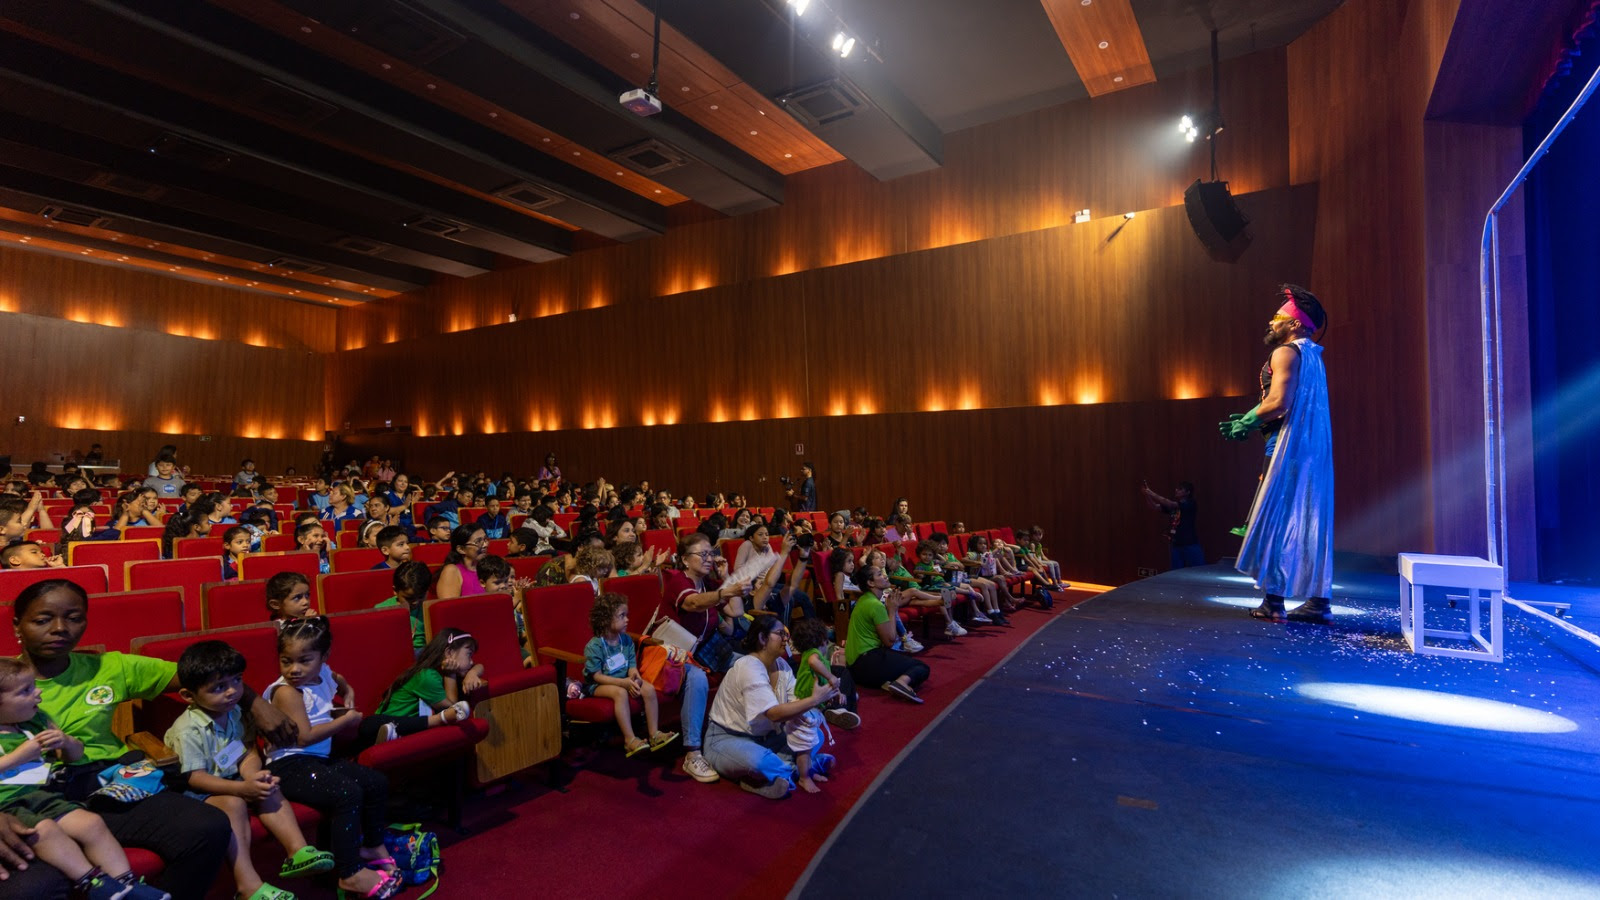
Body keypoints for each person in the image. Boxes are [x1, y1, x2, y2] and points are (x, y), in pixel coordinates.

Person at [14, 579, 296, 898]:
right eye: (42, 619)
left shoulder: (110, 667)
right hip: (29, 795)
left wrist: (256, 704)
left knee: (208, 826)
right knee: (35, 885)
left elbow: (204, 676)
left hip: (105, 784)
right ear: (17, 626)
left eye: (74, 617)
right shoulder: (3, 682)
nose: (60, 628)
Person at [164, 642, 332, 900]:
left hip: (231, 781)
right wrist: (241, 788)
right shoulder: (188, 729)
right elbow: (194, 778)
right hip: (194, 792)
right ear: (188, 696)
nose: (233, 691)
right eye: (219, 687)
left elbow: (247, 752)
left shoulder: (235, 713)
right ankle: (247, 886)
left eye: (237, 681)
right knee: (233, 804)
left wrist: (254, 776)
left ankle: (298, 851)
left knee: (268, 787)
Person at [0, 659, 171, 900]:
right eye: (25, 690)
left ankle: (128, 885)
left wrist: (65, 742)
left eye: (33, 685)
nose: (37, 692)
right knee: (46, 831)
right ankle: (94, 884)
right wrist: (18, 756)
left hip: (41, 796)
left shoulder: (35, 721)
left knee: (91, 824)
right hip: (8, 806)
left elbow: (76, 754)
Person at [1219, 285, 1334, 623]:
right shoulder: (1313, 355)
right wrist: (1251, 418)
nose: (1272, 323)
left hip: (1287, 445)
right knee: (1312, 520)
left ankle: (1273, 602)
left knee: (1278, 519)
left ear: (1296, 324)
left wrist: (1247, 422)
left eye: (1279, 317)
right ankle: (1319, 601)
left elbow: (1279, 402)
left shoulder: (1286, 352)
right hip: (1314, 450)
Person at [263, 618, 402, 899]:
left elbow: (337, 679)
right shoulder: (287, 691)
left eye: (304, 660)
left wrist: (347, 691)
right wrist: (346, 720)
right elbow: (304, 737)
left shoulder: (323, 672)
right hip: (289, 765)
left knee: (375, 783)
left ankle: (373, 845)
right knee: (346, 794)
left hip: (316, 761)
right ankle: (349, 873)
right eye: (286, 661)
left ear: (323, 657)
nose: (294, 669)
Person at [701, 615, 836, 799]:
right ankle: (799, 768)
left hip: (768, 738)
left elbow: (795, 704)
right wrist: (814, 700)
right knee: (761, 761)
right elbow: (773, 714)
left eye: (786, 635)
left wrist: (816, 706)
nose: (786, 639)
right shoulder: (749, 666)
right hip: (726, 739)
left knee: (815, 735)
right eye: (781, 634)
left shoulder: (781, 665)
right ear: (763, 638)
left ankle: (784, 772)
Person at [658, 533, 737, 784]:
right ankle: (692, 753)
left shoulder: (710, 584)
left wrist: (726, 579)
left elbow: (736, 612)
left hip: (702, 651)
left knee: (746, 663)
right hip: (672, 654)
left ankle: (740, 727)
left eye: (711, 553)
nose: (709, 558)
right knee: (698, 678)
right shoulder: (677, 581)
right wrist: (723, 591)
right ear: (684, 559)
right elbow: (692, 604)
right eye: (702, 554)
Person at [583, 593, 677, 757]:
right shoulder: (595, 645)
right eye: (622, 616)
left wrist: (635, 677)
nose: (627, 619)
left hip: (622, 680)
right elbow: (596, 676)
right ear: (605, 619)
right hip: (599, 685)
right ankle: (629, 739)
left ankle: (654, 734)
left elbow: (632, 666)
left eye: (626, 615)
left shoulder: (625, 640)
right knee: (619, 693)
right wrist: (624, 684)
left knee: (647, 688)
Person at [847, 565, 931, 703]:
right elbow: (890, 641)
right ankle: (901, 683)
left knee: (900, 660)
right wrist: (892, 610)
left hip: (855, 668)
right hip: (866, 664)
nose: (885, 576)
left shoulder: (864, 600)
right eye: (880, 574)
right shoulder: (875, 605)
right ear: (871, 583)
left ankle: (890, 681)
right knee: (921, 667)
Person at [785, 617, 850, 792]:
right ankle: (804, 778)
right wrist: (831, 678)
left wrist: (837, 691)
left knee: (813, 742)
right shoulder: (814, 654)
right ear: (821, 639)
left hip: (811, 707)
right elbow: (816, 664)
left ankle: (809, 771)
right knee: (805, 747)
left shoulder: (816, 657)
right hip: (804, 707)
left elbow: (822, 678)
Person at [1143, 481, 1203, 569]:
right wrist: (1146, 494)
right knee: (1175, 572)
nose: (1176, 490)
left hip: (1189, 544)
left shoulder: (1190, 503)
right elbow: (1154, 506)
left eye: (1180, 489)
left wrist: (1150, 492)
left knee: (1198, 570)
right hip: (1176, 544)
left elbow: (1169, 503)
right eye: (1177, 488)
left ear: (1187, 492)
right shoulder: (1174, 506)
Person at [374, 561, 431, 653]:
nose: (416, 602)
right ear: (395, 591)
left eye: (421, 597)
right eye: (409, 598)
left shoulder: (429, 610)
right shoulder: (382, 610)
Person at [433, 525, 486, 599]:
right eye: (478, 541)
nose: (485, 545)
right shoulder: (451, 571)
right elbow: (449, 607)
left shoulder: (487, 566)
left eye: (485, 540)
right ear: (461, 549)